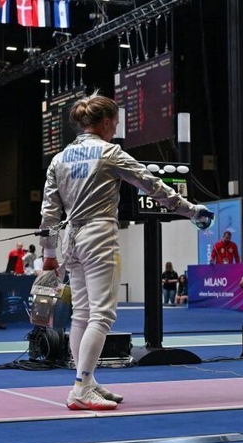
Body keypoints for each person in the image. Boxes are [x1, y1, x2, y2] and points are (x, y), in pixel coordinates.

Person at [39, 91, 212, 411]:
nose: (115, 128)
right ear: (105, 122)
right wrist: (191, 211)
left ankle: (85, 380)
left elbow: (49, 214)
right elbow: (153, 186)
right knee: (102, 315)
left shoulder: (59, 158)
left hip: (70, 239)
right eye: (115, 123)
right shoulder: (109, 152)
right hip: (98, 236)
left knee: (82, 314)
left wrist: (49, 252)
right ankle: (80, 387)